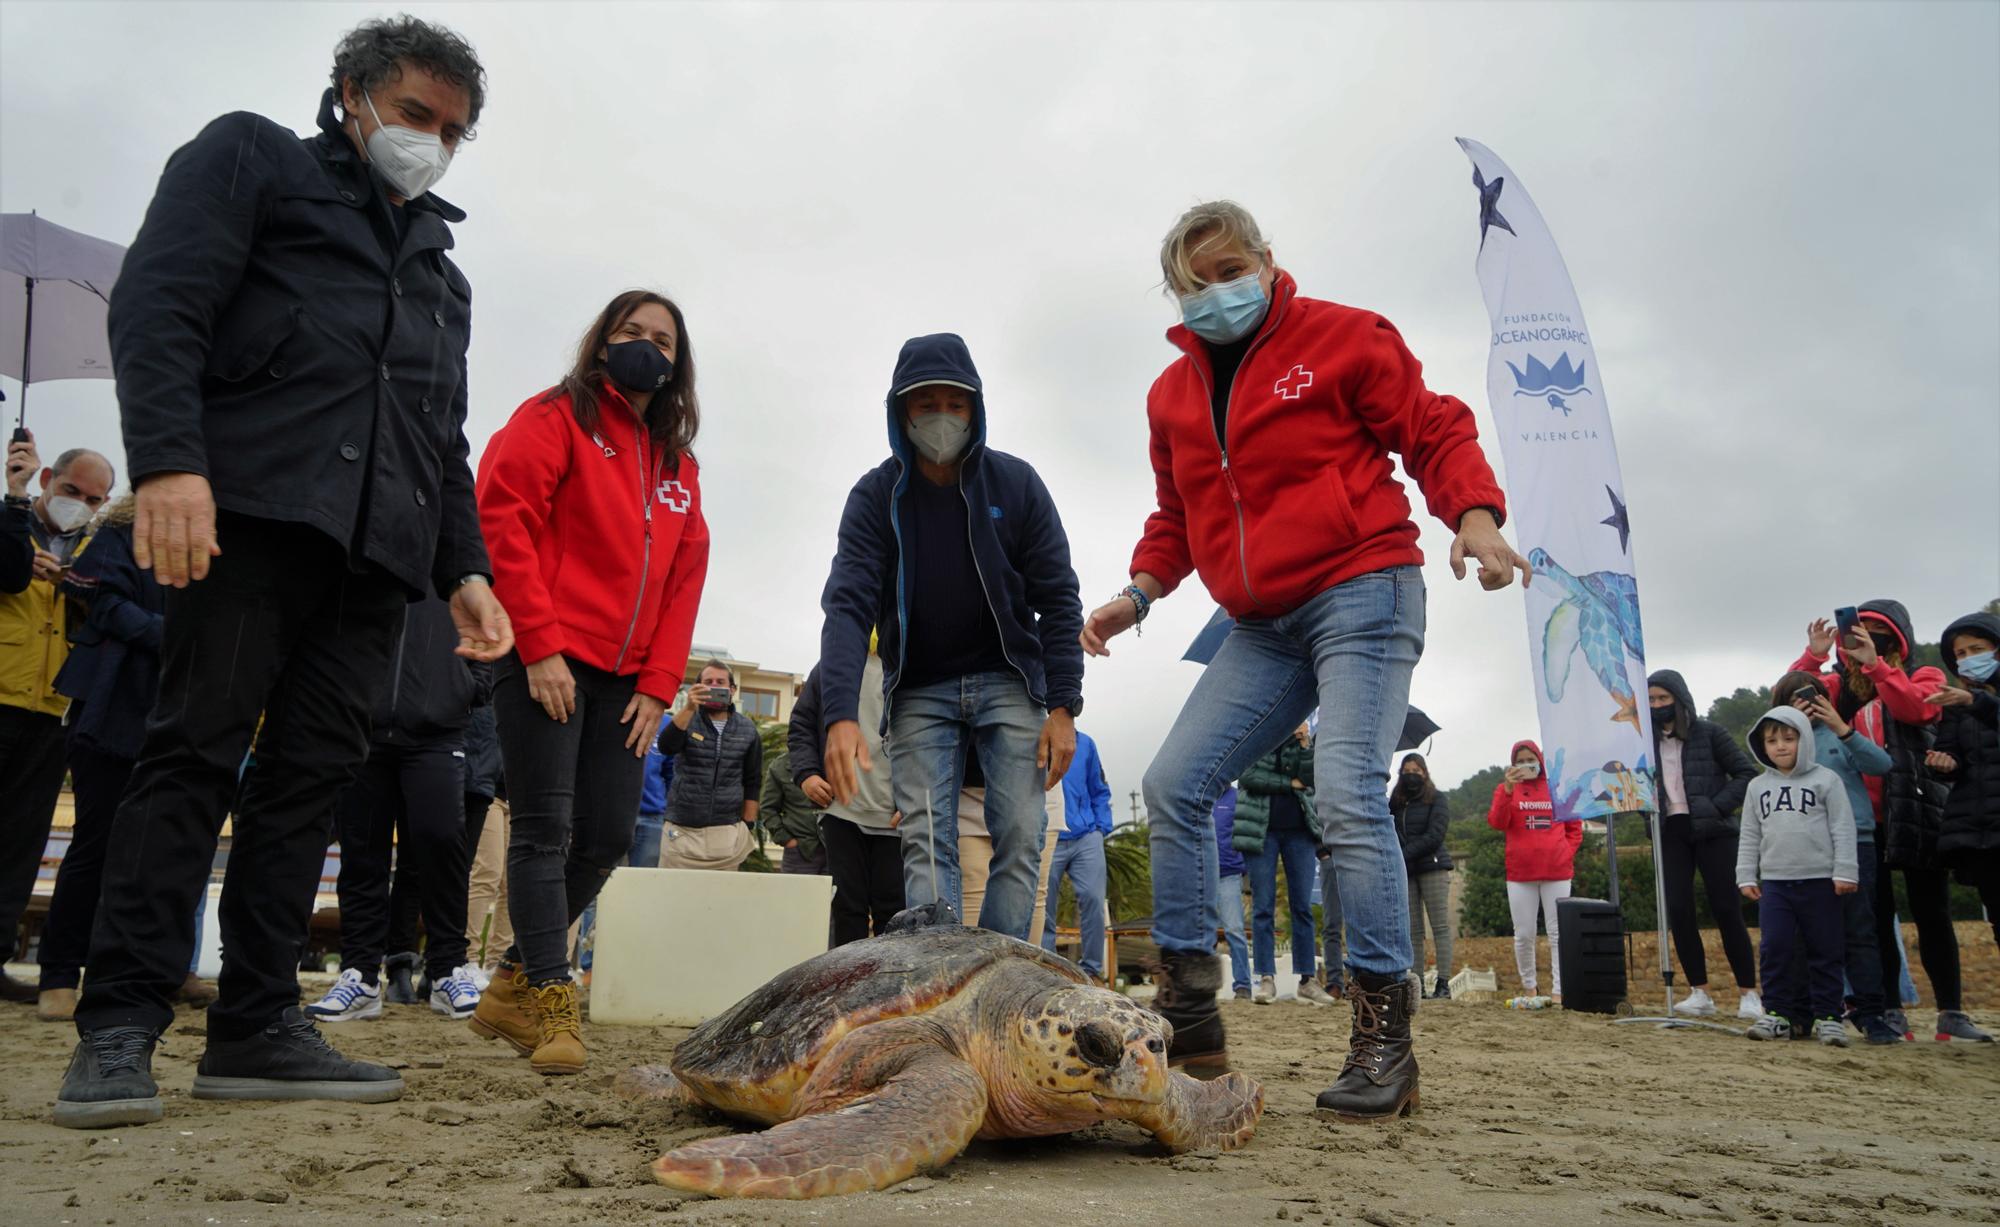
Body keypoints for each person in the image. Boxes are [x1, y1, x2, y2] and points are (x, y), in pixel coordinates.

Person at [56, 17, 513, 1131]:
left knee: (309, 781)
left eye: (452, 131)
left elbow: (439, 435)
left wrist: (463, 568)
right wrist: (167, 460)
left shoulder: (442, 274)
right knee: (191, 757)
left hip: (375, 563)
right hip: (248, 517)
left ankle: (258, 1021)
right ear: (351, 95)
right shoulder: (251, 159)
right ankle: (119, 1024)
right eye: (414, 115)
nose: (431, 143)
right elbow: (161, 304)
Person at [1079, 201, 1523, 1120]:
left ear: (1269, 261)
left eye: (1231, 269)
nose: (1217, 292)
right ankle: (1193, 1021)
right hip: (1261, 622)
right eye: (1194, 284)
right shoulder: (1171, 394)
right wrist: (1141, 592)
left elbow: (1433, 425)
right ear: (1176, 296)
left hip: (1366, 583)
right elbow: (1178, 515)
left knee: (1349, 785)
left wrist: (1474, 514)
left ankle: (1383, 1038)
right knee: (1173, 783)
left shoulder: (1344, 337)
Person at [470, 289, 709, 1075]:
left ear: (678, 363)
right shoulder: (553, 416)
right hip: (548, 653)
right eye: (631, 331)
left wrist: (660, 680)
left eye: (662, 340)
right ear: (602, 341)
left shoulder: (680, 466)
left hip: (628, 678)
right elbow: (503, 518)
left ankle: (506, 985)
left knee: (606, 834)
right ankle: (549, 992)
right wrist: (537, 645)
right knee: (543, 829)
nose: (646, 346)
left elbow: (684, 574)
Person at [818, 333, 1085, 939]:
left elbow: (1058, 599)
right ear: (900, 411)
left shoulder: (1017, 486)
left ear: (976, 408)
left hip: (1010, 680)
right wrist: (840, 714)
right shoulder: (873, 497)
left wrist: (1065, 704)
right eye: (925, 403)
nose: (942, 416)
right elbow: (848, 604)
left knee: (1021, 832)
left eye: (956, 403)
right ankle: (940, 980)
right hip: (918, 689)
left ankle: (1000, 980)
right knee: (926, 841)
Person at [38, 491, 200, 1022]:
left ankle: (160, 970)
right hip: (112, 707)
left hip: (179, 711)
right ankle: (60, 973)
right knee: (96, 845)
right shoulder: (113, 539)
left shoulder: (207, 551)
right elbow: (106, 607)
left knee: (167, 854)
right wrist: (181, 637)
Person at [1788, 603, 1980, 1040]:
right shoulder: (1837, 686)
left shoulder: (1924, 676)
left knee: (1933, 913)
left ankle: (1952, 1012)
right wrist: (1814, 657)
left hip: (1917, 811)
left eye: (1880, 633)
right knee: (1875, 920)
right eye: (1859, 633)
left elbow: (1915, 710)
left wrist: (1877, 667)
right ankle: (1890, 1008)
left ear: (1900, 638)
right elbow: (1791, 702)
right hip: (1860, 820)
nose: (1869, 640)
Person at [308, 597, 487, 1024]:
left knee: (441, 839)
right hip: (364, 728)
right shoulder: (372, 557)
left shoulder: (459, 564)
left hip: (438, 732)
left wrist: (466, 686)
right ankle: (361, 974)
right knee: (362, 852)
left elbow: (488, 632)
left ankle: (446, 968)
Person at [2, 438, 113, 1004]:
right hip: (0, 690)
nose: (81, 504)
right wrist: (15, 499)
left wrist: (74, 584)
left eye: (95, 498)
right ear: (48, 477)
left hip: (51, 706)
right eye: (72, 491)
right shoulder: (10, 521)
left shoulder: (98, 547)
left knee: (20, 842)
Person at [1769, 671, 1898, 1044]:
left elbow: (1882, 765)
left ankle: (1871, 1013)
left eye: (1813, 696)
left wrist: (1842, 727)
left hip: (1853, 843)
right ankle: (1801, 1013)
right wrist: (1789, 729)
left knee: (1860, 931)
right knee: (1800, 936)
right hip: (1800, 849)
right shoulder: (1779, 743)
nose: (1807, 705)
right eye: (1797, 699)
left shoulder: (1842, 735)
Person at [1736, 706, 1860, 1046]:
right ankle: (1776, 1013)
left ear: (1804, 740)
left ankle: (1829, 1017)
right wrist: (1746, 875)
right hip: (1775, 884)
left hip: (1822, 882)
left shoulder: (1826, 780)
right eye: (1772, 740)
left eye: (1789, 739)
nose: (1780, 746)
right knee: (1774, 947)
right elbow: (1749, 833)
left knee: (1825, 949)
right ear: (1762, 746)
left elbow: (1843, 828)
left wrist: (1845, 871)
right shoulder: (1757, 786)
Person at [1647, 669, 1762, 1020]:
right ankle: (1700, 992)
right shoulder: (1643, 743)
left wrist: (1716, 804)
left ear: (1679, 700)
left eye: (1663, 699)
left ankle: (1749, 993)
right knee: (1679, 910)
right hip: (1671, 830)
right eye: (1651, 700)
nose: (1657, 706)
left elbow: (1746, 774)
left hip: (1714, 829)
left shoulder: (1711, 733)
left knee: (1726, 909)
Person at [792, 648, 903, 946]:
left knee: (893, 915)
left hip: (897, 816)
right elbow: (801, 723)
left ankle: (890, 991)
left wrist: (915, 799)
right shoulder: (833, 663)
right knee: (846, 910)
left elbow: (933, 736)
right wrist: (807, 774)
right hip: (840, 809)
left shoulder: (912, 661)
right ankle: (846, 987)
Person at [1237, 726, 1334, 1006]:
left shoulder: (1302, 742)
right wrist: (1288, 783)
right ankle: (1266, 978)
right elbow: (1248, 776)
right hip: (1261, 832)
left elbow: (1311, 779)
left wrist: (1305, 746)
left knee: (1302, 906)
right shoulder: (1256, 735)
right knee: (1263, 907)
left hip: (1300, 833)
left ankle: (1308, 980)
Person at [1931, 612, 2000, 1005]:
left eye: (1977, 649)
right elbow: (1951, 753)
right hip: (1981, 831)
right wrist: (1943, 763)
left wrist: (1977, 702)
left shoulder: (1971, 702)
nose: (1968, 658)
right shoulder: (1954, 708)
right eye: (1960, 653)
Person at [1486, 741, 1580, 1002]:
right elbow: (1497, 822)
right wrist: (1506, 790)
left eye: (1531, 759)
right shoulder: (1506, 790)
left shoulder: (1557, 788)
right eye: (1521, 760)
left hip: (1557, 871)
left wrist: (1564, 851)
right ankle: (1529, 987)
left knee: (1557, 933)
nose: (1527, 764)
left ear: (1540, 759)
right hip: (1520, 873)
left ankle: (1560, 991)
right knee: (1524, 933)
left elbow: (1575, 827)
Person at [657, 661, 762, 871]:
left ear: (732, 689)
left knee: (720, 900)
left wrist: (747, 824)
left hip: (726, 832)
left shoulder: (748, 729)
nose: (714, 686)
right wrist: (688, 708)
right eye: (708, 682)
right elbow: (666, 747)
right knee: (672, 898)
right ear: (697, 687)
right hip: (682, 830)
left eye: (720, 682)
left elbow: (753, 779)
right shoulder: (685, 720)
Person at [1041, 728, 1113, 979]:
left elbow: (1099, 787)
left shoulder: (1086, 744)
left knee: (1093, 899)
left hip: (1086, 835)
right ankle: (1047, 969)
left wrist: (1101, 827)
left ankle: (1091, 970)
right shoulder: (1037, 738)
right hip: (1049, 834)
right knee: (1043, 907)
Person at [1392, 753, 1455, 999]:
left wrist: (1406, 852)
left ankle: (1444, 982)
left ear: (1425, 772)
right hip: (1406, 870)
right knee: (1413, 930)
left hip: (1433, 866)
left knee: (1440, 926)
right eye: (1407, 770)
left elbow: (1436, 834)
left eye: (1416, 770)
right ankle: (1416, 983)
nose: (1411, 774)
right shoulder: (1395, 803)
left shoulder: (1438, 798)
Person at [763, 739, 825, 876]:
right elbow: (768, 809)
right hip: (800, 853)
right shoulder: (779, 767)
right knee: (794, 897)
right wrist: (787, 840)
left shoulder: (838, 761)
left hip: (836, 851)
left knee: (835, 897)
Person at [1213, 787, 1252, 1000]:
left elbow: (1245, 834)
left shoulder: (1236, 797)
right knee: (1202, 934)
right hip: (1202, 872)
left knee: (1235, 930)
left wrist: (1246, 872)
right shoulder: (1199, 795)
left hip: (1230, 874)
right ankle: (1204, 988)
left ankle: (1243, 985)